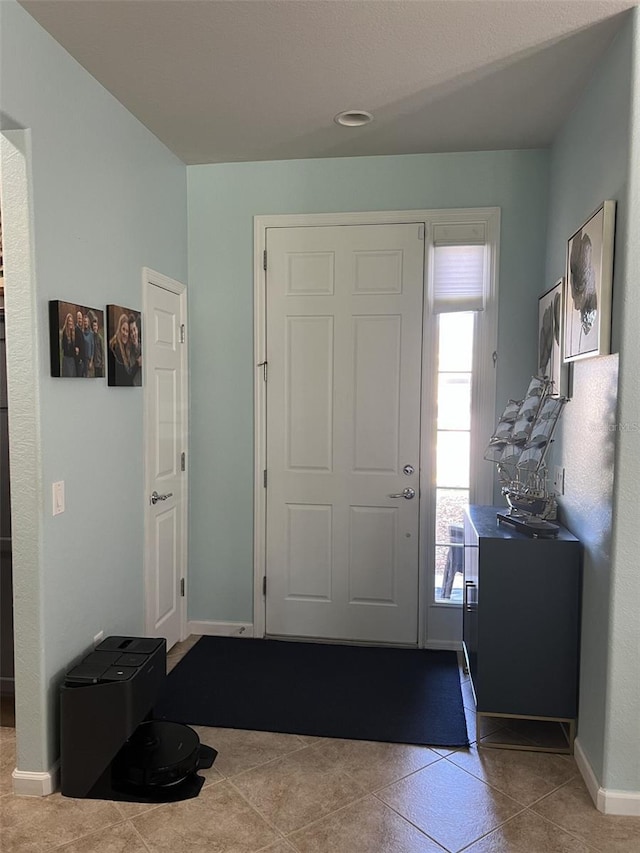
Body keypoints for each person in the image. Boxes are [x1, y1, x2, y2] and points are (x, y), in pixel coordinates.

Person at [108, 313, 133, 386]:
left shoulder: (126, 347)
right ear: (119, 329)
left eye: (127, 331)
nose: (125, 333)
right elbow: (125, 376)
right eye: (123, 329)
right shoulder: (116, 347)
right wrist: (137, 364)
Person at [128, 313, 142, 386]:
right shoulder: (128, 352)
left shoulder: (144, 348)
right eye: (131, 332)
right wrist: (137, 363)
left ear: (137, 329)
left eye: (134, 329)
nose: (133, 334)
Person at [74, 309, 85, 377]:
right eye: (79, 318)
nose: (80, 320)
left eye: (81, 318)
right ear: (76, 319)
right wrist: (79, 358)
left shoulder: (81, 329)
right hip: (79, 360)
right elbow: (76, 345)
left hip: (83, 358)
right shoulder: (76, 330)